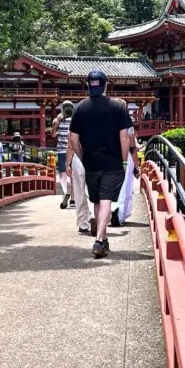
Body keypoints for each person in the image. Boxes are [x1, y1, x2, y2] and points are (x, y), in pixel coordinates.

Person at [67, 71, 133, 258]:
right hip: (112, 162)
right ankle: (98, 241)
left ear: (89, 85)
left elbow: (72, 139)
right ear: (106, 84)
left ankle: (102, 239)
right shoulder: (118, 106)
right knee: (106, 201)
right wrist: (123, 160)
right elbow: (124, 137)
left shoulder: (80, 108)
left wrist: (83, 157)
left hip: (91, 162)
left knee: (97, 200)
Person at [110, 98, 141, 227]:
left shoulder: (107, 121)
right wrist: (136, 166)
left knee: (109, 185)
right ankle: (119, 212)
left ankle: (108, 211)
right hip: (125, 157)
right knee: (124, 186)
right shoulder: (127, 124)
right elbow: (132, 146)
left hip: (109, 156)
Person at [52, 101, 74, 208]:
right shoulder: (75, 121)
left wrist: (56, 123)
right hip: (73, 150)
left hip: (61, 150)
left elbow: (53, 134)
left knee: (62, 174)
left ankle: (65, 192)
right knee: (73, 175)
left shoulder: (58, 121)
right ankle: (73, 200)